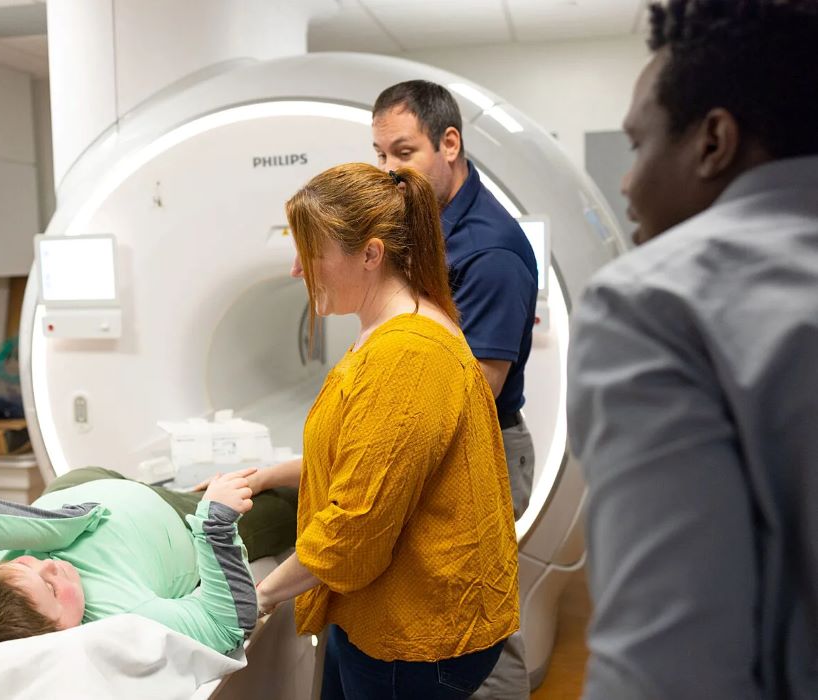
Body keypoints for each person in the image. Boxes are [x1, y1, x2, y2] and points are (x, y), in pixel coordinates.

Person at [566, 2, 818, 698]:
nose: (625, 182)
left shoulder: (652, 305)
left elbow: (666, 673)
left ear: (713, 141)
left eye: (638, 145)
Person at [254, 162, 520, 699]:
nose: (296, 271)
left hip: (416, 635)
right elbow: (374, 460)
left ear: (371, 254)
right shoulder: (390, 332)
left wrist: (256, 598)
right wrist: (269, 475)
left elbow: (355, 528)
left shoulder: (406, 357)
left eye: (311, 253)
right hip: (381, 615)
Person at [372, 79, 537, 700]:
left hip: (484, 447)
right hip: (449, 445)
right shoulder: (424, 222)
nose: (388, 170)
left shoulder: (489, 250)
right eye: (380, 154)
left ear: (449, 143)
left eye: (403, 153)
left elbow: (475, 388)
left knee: (481, 624)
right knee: (448, 614)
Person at [0, 466, 295, 653]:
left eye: (23, 565)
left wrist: (53, 527)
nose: (48, 564)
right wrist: (215, 522)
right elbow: (225, 624)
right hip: (173, 515)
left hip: (79, 487)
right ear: (59, 630)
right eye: (52, 588)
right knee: (289, 507)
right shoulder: (119, 616)